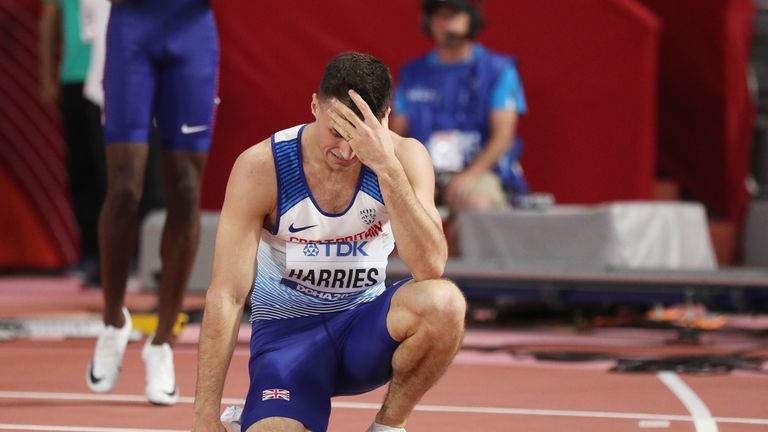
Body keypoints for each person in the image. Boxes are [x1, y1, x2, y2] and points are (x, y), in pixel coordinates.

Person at [192, 52, 466, 432]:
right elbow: (227, 294)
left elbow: (430, 267)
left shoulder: (405, 156)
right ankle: (260, 416)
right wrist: (205, 413)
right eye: (337, 131)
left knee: (445, 301)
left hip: (365, 333)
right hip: (289, 340)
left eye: (360, 136)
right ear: (315, 106)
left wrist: (385, 167)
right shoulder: (262, 167)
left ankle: (387, 427)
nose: (346, 151)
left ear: (384, 119)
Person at [85, 0, 219, 406]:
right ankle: (113, 321)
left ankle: (161, 342)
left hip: (192, 30)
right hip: (132, 27)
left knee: (186, 186)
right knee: (125, 185)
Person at [390, 0, 529, 214]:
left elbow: (503, 136)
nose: (445, 24)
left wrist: (468, 176)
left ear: (471, 17)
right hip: (424, 171)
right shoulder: (411, 74)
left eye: (453, 15)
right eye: (438, 16)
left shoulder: (498, 71)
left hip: (480, 172)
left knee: (475, 204)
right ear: (427, 22)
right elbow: (395, 136)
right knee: (389, 202)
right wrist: (416, 175)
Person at [39, 0, 105, 286]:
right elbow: (50, 19)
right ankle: (91, 253)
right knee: (81, 170)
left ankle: (124, 255)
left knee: (110, 171)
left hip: (109, 78)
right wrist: (46, 75)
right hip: (74, 79)